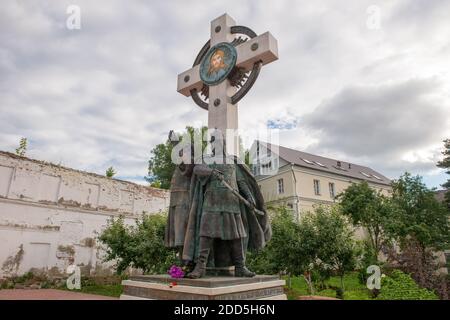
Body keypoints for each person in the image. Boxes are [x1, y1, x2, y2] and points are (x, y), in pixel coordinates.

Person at [182, 133, 271, 278]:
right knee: (205, 234)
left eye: (218, 141)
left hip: (232, 203)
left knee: (237, 236)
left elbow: (241, 181)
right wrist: (210, 171)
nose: (216, 144)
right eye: (213, 142)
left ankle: (240, 267)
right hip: (212, 201)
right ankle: (200, 266)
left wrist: (249, 196)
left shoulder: (232, 161)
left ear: (223, 143)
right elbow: (197, 169)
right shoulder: (206, 159)